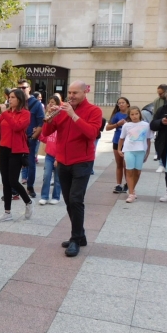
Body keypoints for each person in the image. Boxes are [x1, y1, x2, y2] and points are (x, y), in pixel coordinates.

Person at [42, 81, 103, 257]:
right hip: (62, 161)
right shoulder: (62, 110)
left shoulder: (94, 111)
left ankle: (75, 239)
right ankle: (80, 235)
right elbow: (46, 132)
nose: (71, 96)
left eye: (75, 92)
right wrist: (49, 116)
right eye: (69, 92)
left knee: (76, 199)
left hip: (82, 161)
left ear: (85, 93)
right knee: (69, 200)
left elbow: (92, 133)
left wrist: (73, 116)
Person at [0, 89, 33, 222]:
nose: (10, 99)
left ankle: (28, 202)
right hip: (3, 149)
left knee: (13, 180)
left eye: (13, 97)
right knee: (5, 181)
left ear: (19, 99)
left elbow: (16, 127)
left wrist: (4, 113)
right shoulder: (6, 113)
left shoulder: (25, 114)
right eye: (9, 97)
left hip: (17, 151)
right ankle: (7, 212)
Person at [118, 106, 153, 203]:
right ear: (129, 115)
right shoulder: (126, 125)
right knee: (129, 171)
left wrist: (148, 152)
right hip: (129, 150)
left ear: (140, 114)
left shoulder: (146, 125)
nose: (134, 116)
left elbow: (148, 139)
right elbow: (122, 138)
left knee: (137, 172)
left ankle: (132, 189)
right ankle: (131, 193)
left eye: (136, 114)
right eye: (132, 114)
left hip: (141, 151)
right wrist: (119, 149)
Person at [17, 79, 44, 199]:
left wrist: (34, 136)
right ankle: (14, 188)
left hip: (30, 138)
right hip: (17, 138)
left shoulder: (36, 104)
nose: (22, 90)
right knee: (15, 163)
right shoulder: (17, 102)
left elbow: (41, 122)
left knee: (31, 163)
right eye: (19, 88)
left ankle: (30, 187)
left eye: (24, 88)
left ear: (29, 88)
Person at [38, 95, 62, 205]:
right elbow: (44, 136)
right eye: (49, 102)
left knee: (57, 178)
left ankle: (56, 196)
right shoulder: (48, 117)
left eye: (53, 102)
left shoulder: (60, 119)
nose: (50, 104)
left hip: (59, 155)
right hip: (49, 154)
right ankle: (44, 196)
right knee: (46, 176)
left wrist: (59, 156)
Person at [106, 97, 130, 193]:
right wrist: (117, 124)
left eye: (123, 102)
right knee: (119, 164)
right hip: (117, 141)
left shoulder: (132, 114)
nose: (121, 104)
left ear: (127, 104)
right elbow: (107, 127)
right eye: (119, 103)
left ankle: (128, 184)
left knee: (127, 165)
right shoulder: (117, 115)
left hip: (129, 143)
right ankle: (118, 185)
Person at [152, 84, 167, 167]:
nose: (159, 95)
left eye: (161, 93)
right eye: (158, 93)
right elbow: (154, 115)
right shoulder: (157, 101)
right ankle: (160, 162)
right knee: (159, 141)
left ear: (166, 92)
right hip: (161, 125)